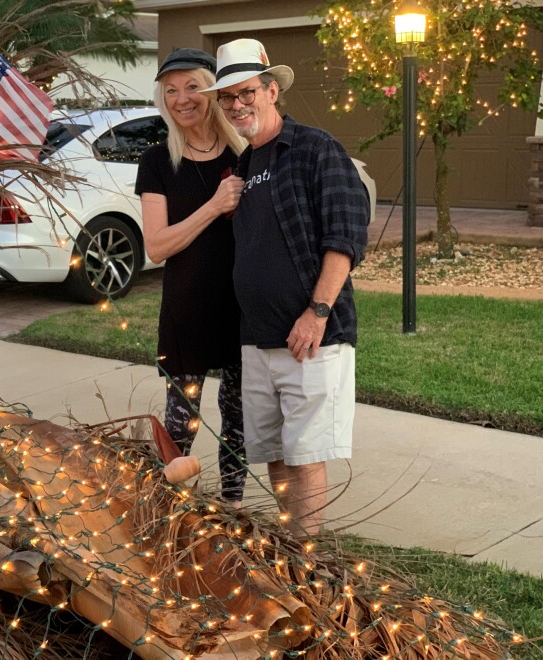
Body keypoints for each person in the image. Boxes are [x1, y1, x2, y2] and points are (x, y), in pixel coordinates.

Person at [203, 39, 370, 535]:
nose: (237, 105)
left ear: (271, 90)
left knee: (305, 453)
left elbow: (344, 239)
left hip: (311, 335)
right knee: (274, 452)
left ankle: (306, 554)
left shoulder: (316, 149)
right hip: (257, 338)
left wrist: (317, 311)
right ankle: (287, 539)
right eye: (227, 97)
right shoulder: (246, 165)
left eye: (246, 92)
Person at [135, 48, 248, 503]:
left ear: (213, 89)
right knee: (182, 425)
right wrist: (216, 206)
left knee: (238, 420)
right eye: (171, 90)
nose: (183, 98)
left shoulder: (246, 151)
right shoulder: (158, 161)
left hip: (243, 307)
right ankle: (173, 512)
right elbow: (157, 246)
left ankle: (234, 508)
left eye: (193, 86)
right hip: (188, 309)